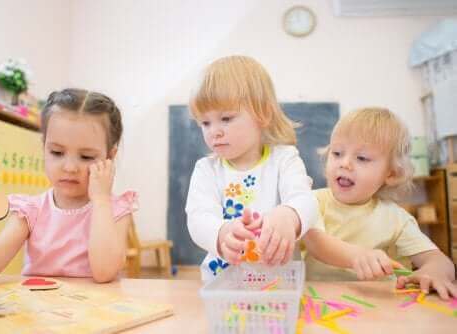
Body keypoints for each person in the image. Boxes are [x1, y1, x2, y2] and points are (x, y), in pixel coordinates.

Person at [0, 88, 136, 283]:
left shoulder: (115, 209)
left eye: (86, 157)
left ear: (109, 157)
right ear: (44, 147)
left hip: (95, 311)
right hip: (39, 311)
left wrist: (101, 200)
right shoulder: (31, 211)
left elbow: (104, 272)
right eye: (57, 152)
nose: (69, 167)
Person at [185, 55, 319, 281]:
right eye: (205, 123)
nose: (214, 131)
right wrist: (221, 234)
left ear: (263, 114)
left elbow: (306, 200)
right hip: (223, 282)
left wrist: (288, 216)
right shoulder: (206, 169)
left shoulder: (284, 159)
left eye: (226, 118)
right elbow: (198, 217)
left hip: (278, 283)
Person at [305, 107, 457, 299]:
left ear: (390, 174)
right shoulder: (311, 203)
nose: (345, 163)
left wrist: (434, 272)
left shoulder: (396, 218)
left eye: (362, 158)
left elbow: (439, 260)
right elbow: (316, 243)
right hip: (319, 308)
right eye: (337, 153)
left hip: (380, 310)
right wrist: (357, 256)